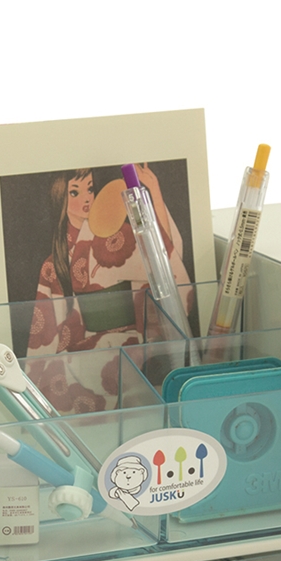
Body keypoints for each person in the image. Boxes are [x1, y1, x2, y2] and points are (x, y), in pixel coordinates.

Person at [26, 164, 195, 411]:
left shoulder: (118, 239)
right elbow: (46, 337)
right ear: (60, 198)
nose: (86, 198)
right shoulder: (53, 264)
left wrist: (154, 191)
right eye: (74, 192)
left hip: (132, 346)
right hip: (82, 355)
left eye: (90, 189)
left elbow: (167, 264)